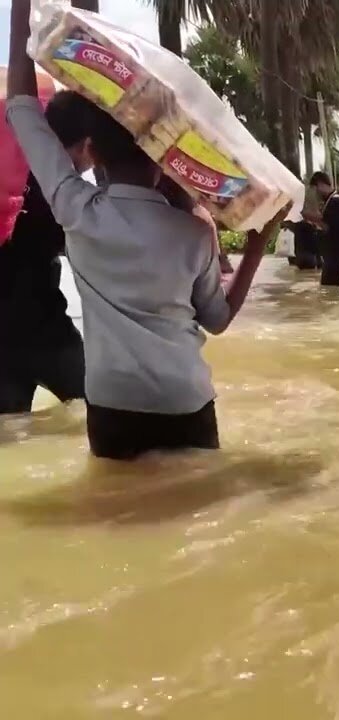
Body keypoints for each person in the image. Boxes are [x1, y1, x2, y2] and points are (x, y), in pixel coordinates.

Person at [6, 0, 287, 458]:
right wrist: (257, 244)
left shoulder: (76, 209)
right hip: (185, 401)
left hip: (113, 403)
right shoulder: (193, 235)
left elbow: (21, 107)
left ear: (92, 154)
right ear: (165, 161)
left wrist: (21, 10)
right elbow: (217, 321)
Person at [0, 91, 94, 414]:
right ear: (86, 146)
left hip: (4, 344)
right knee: (100, 408)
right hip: (49, 337)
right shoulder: (65, 197)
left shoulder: (12, 181)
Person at [304, 171, 339, 287]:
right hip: (335, 254)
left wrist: (310, 217)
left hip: (335, 254)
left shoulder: (336, 201)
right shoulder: (335, 201)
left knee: (329, 285)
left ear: (320, 184)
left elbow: (331, 227)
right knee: (331, 286)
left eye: (315, 188)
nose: (315, 193)